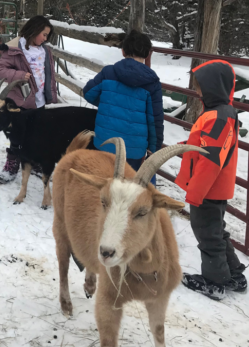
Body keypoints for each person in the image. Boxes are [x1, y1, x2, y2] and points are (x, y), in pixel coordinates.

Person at [176, 60, 246, 300]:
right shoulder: (220, 114)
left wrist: (195, 193)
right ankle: (234, 274)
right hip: (215, 188)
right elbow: (208, 146)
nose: (197, 92)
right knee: (216, 231)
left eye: (200, 87)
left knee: (207, 234)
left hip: (208, 189)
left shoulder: (217, 116)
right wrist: (187, 147)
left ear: (214, 86)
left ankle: (215, 282)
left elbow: (211, 161)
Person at [82, 29, 164, 186]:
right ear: (147, 54)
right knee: (127, 187)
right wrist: (154, 147)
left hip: (105, 143)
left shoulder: (109, 72)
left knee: (104, 185)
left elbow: (88, 93)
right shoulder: (152, 82)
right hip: (134, 149)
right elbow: (155, 119)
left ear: (123, 51)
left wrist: (108, 103)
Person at [0, 15, 58, 184]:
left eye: (47, 36)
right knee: (17, 133)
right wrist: (19, 75)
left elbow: (49, 73)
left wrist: (50, 93)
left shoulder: (45, 51)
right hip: (19, 100)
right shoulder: (14, 49)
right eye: (44, 34)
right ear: (34, 30)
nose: (45, 38)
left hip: (39, 101)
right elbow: (0, 69)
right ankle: (12, 164)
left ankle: (35, 162)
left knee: (37, 133)